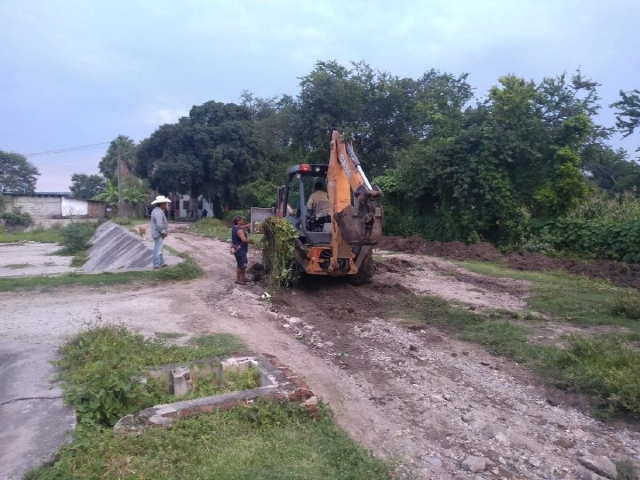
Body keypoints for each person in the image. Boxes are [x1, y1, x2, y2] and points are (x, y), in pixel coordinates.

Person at [150, 196, 171, 269]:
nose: (166, 205)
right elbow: (159, 224)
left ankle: (161, 263)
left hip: (157, 233)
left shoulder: (157, 211)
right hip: (158, 233)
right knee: (158, 249)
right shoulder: (158, 213)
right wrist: (163, 232)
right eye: (165, 203)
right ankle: (156, 264)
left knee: (160, 248)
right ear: (161, 204)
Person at [231, 215, 251, 284]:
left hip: (240, 250)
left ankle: (243, 277)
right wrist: (252, 241)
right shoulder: (240, 231)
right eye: (242, 220)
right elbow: (244, 240)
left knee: (244, 263)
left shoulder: (235, 228)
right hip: (240, 250)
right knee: (240, 265)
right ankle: (238, 280)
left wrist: (246, 226)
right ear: (238, 221)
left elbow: (241, 227)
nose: (243, 221)